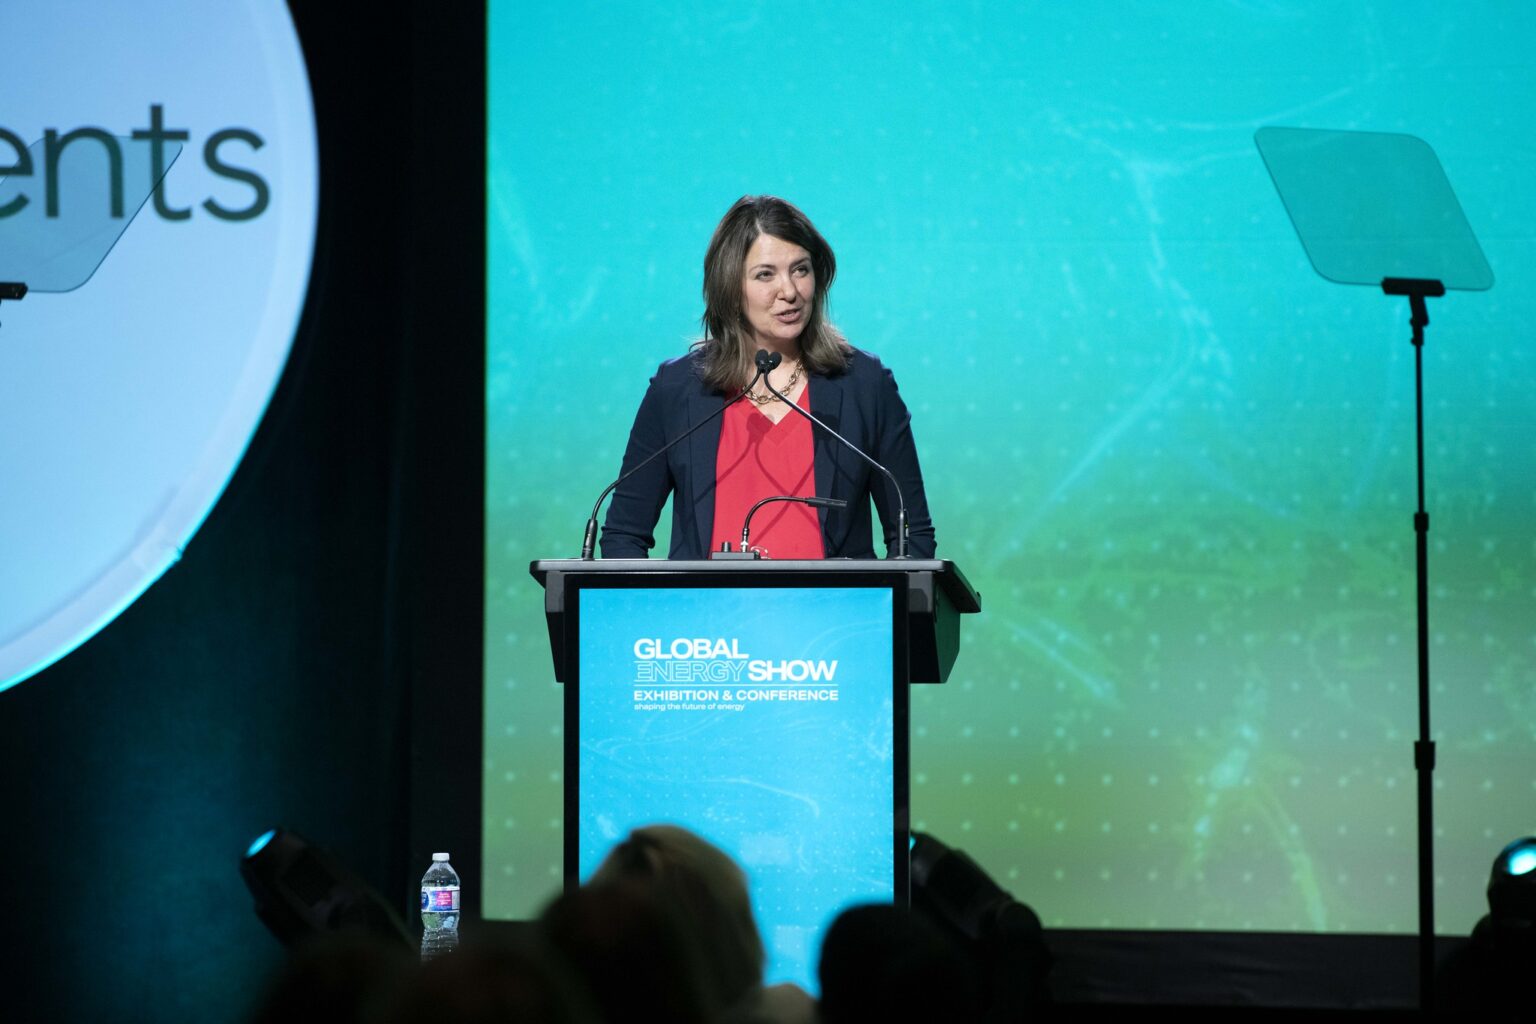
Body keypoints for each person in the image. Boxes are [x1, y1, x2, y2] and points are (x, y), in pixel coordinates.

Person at [600, 195, 935, 560]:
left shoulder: (864, 384)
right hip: (706, 617)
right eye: (765, 275)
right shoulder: (677, 389)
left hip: (837, 616)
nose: (789, 292)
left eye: (801, 269)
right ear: (730, 287)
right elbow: (624, 535)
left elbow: (911, 535)